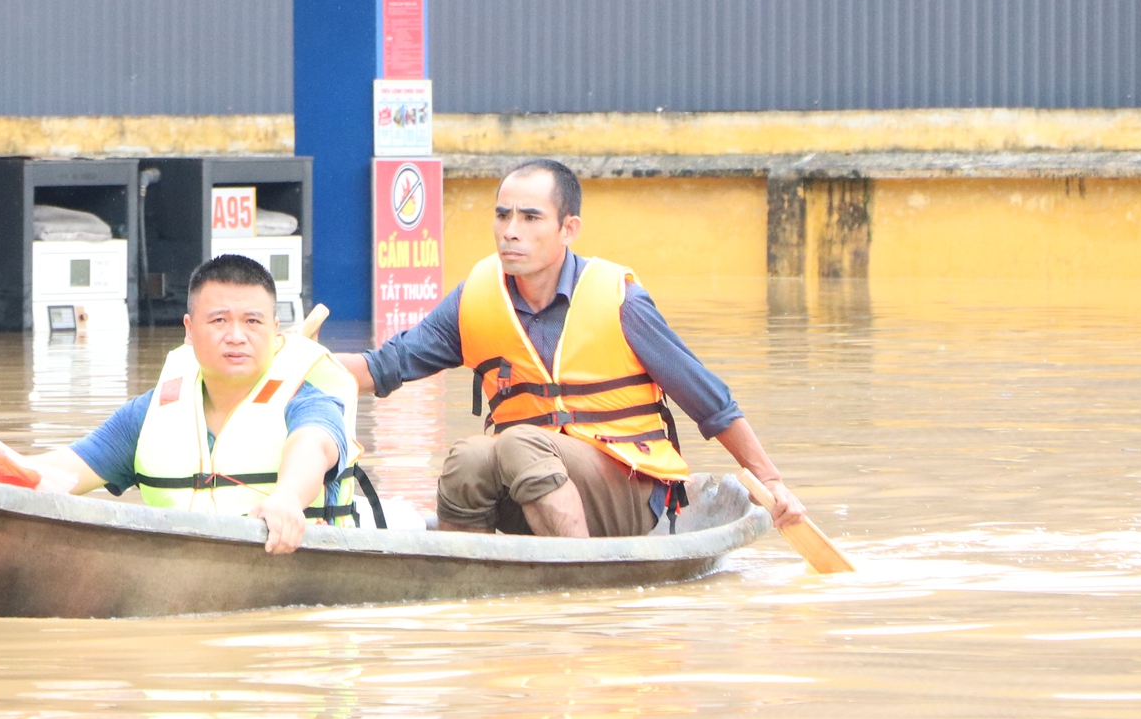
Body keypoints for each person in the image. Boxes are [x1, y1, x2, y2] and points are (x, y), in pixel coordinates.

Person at [337, 157, 810, 539]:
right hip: (527, 486)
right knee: (469, 456)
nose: (510, 231)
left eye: (530, 217)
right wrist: (289, 362)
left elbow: (711, 402)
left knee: (518, 441)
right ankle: (472, 587)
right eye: (502, 215)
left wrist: (769, 481)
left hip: (627, 494)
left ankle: (578, 581)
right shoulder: (475, 299)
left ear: (568, 229)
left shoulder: (619, 300)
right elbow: (383, 367)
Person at [25, 255, 365, 554]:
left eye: (253, 321)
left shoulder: (309, 401)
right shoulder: (149, 414)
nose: (236, 336)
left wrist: (288, 500)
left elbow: (314, 446)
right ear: (189, 330)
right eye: (219, 320)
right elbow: (60, 472)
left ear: (276, 331)